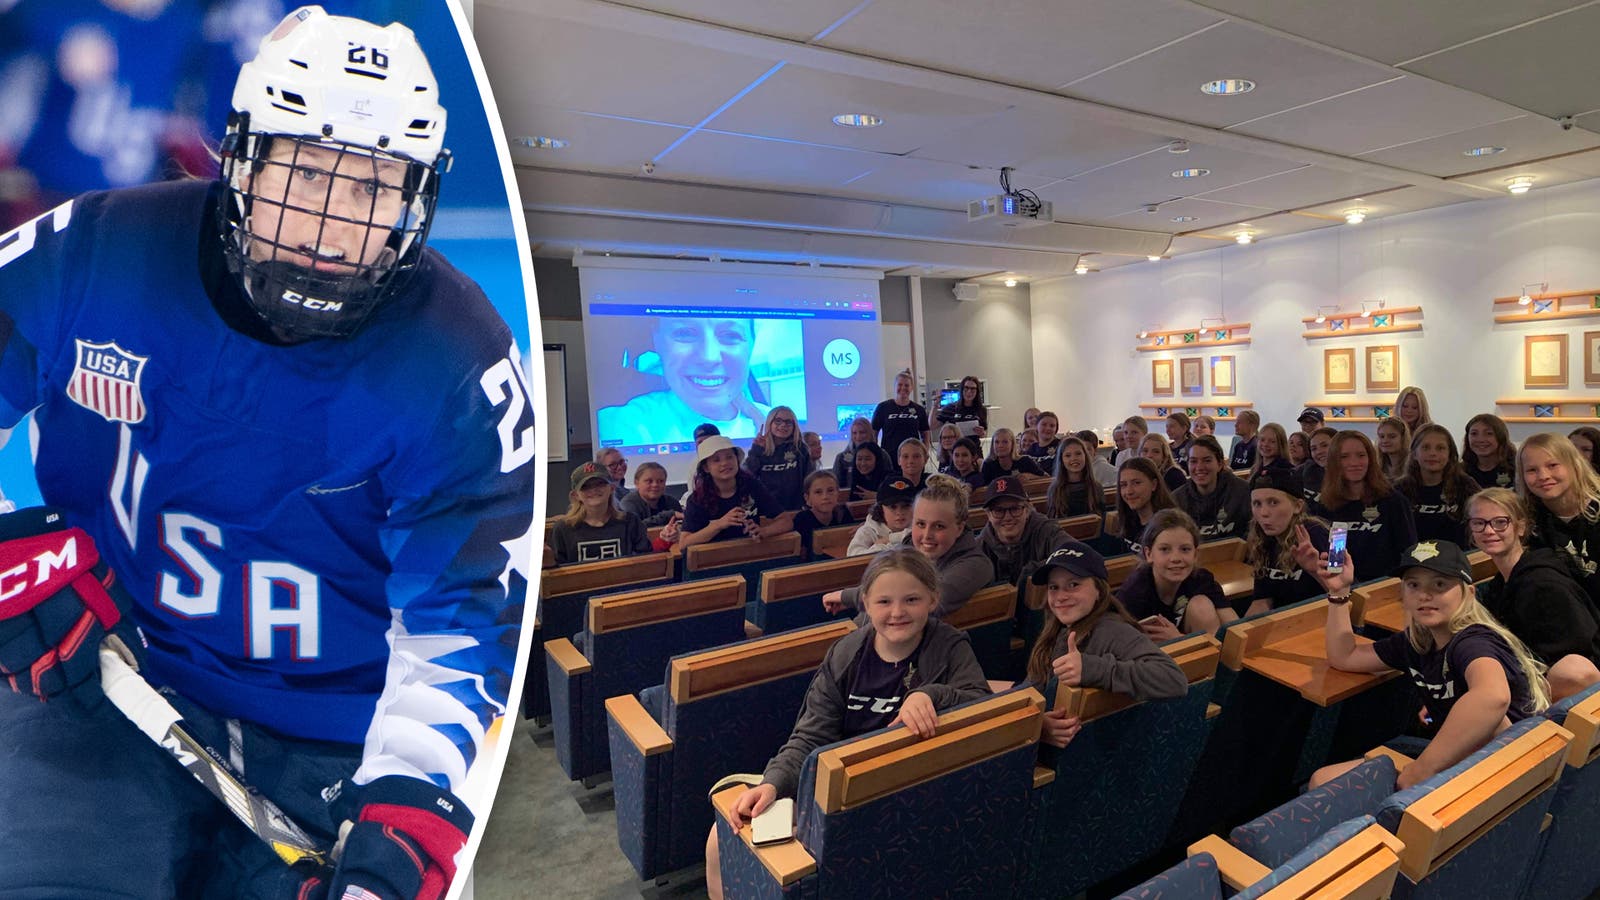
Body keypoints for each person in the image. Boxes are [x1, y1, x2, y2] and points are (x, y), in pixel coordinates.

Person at [0, 8, 536, 898]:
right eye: (307, 173)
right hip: (104, 669)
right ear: (242, 161)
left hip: (337, 739)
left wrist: (408, 796)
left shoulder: (460, 361)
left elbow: (464, 619)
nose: (332, 226)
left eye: (373, 189)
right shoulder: (95, 249)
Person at [704, 548, 991, 900]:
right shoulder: (846, 653)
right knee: (721, 839)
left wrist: (932, 695)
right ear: (866, 604)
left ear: (933, 599)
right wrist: (774, 783)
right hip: (838, 787)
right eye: (884, 601)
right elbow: (810, 736)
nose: (897, 612)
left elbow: (983, 703)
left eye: (912, 599)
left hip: (910, 790)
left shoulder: (949, 646)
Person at [1302, 541, 1547, 791]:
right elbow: (1345, 657)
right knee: (1322, 779)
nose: (1424, 595)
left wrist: (1420, 771)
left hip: (1505, 775)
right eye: (1413, 585)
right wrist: (1339, 593)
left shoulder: (1472, 641)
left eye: (1440, 584)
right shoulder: (1418, 641)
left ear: (1469, 593)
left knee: (1323, 782)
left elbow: (1492, 697)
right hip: (1467, 762)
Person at [1023, 543, 1187, 748]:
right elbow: (1031, 691)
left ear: (1099, 591)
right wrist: (1039, 724)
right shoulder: (1056, 632)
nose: (1061, 596)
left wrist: (1093, 668)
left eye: (1073, 584)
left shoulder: (1112, 630)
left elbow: (1174, 679)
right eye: (1053, 587)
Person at [1468, 489, 1600, 699]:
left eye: (1500, 522)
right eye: (1479, 523)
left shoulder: (1542, 584)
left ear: (1521, 527)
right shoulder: (1501, 583)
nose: (1489, 530)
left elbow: (1580, 656)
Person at [825, 475, 995, 618]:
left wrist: (850, 597)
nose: (927, 535)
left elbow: (928, 599)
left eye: (939, 526)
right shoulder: (909, 551)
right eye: (920, 524)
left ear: (959, 527)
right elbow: (885, 582)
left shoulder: (975, 565)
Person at [595, 314, 769, 444]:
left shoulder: (773, 420)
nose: (709, 357)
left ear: (751, 346)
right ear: (657, 343)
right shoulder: (622, 423)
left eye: (731, 336)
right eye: (685, 333)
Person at [1116, 510, 1234, 641]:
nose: (1176, 558)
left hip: (1192, 649)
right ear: (1148, 554)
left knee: (1201, 605)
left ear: (1195, 554)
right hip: (1149, 657)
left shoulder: (1201, 579)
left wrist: (1178, 639)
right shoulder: (1134, 592)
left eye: (1185, 549)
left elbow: (1237, 628)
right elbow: (1120, 644)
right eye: (1165, 549)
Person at [1314, 431, 1417, 579]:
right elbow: (1334, 561)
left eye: (1361, 455)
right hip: (1344, 586)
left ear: (1371, 459)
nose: (1354, 463)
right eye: (1344, 457)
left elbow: (1409, 552)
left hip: (1386, 587)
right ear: (1334, 461)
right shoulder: (1326, 505)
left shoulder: (1393, 501)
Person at [1518, 432, 1600, 608]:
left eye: (1553, 465)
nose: (1543, 476)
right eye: (1532, 470)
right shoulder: (1527, 521)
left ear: (1575, 465)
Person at [679, 436, 794, 548]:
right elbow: (684, 543)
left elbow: (786, 521)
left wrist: (763, 531)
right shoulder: (697, 499)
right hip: (712, 561)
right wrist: (719, 524)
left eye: (729, 457)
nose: (724, 463)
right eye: (716, 460)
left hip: (750, 554)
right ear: (706, 468)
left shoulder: (753, 486)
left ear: (737, 460)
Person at [1244, 467, 1329, 616]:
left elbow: (1348, 594)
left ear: (1297, 506)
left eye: (1273, 502)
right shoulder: (1262, 538)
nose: (1264, 513)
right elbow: (1262, 600)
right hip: (1284, 623)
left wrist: (1315, 571)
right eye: (1257, 504)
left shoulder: (1321, 533)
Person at [550, 463, 663, 565]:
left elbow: (646, 562)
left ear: (612, 488)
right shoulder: (563, 529)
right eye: (585, 487)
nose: (594, 490)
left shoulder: (630, 522)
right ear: (576, 495)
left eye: (600, 484)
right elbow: (556, 571)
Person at [1395, 425, 1480, 548]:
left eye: (1440, 448)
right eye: (1425, 448)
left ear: (1450, 454)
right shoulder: (1400, 490)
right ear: (1414, 454)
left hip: (1457, 561)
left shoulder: (1466, 486)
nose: (1433, 453)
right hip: (1413, 562)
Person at [978, 475, 1069, 588]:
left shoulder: (1046, 530)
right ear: (988, 515)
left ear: (1027, 510)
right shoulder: (979, 547)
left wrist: (1032, 573)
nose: (1007, 517)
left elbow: (1075, 553)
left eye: (1015, 509)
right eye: (998, 510)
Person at [1173, 436, 1251, 541]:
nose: (1199, 467)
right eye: (1193, 461)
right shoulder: (1177, 500)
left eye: (1207, 460)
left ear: (1220, 464)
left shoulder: (1243, 492)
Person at [744, 405, 813, 511]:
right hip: (765, 510)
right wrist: (756, 450)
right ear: (769, 423)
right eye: (778, 421)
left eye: (788, 422)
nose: (783, 425)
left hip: (795, 509)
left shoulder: (800, 449)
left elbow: (810, 479)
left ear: (794, 426)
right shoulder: (760, 449)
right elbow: (747, 476)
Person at [1114, 458, 1176, 556]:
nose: (1129, 491)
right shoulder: (1125, 520)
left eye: (1136, 483)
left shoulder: (1171, 526)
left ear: (1154, 484)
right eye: (1123, 485)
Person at [872, 371, 929, 472]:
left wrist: (925, 453)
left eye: (906, 385)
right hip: (889, 459)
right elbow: (873, 433)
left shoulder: (919, 410)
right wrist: (876, 454)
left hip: (912, 460)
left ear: (911, 388)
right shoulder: (883, 407)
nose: (903, 388)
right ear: (895, 386)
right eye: (900, 385)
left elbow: (925, 433)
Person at [847, 477, 916, 557]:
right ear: (881, 508)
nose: (899, 513)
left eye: (906, 506)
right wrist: (884, 547)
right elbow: (853, 556)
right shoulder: (868, 530)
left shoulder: (920, 526)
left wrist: (890, 539)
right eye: (893, 507)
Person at [1045, 435, 1105, 519]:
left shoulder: (1096, 487)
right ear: (1061, 460)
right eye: (1068, 455)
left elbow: (1101, 520)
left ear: (1085, 456)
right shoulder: (1055, 489)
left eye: (1078, 454)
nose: (1074, 458)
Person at [792, 470, 855, 548]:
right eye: (818, 492)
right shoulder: (801, 519)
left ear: (838, 493)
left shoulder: (843, 513)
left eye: (830, 490)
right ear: (807, 498)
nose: (825, 497)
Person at [619, 461, 685, 528]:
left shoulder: (672, 502)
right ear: (636, 483)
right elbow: (635, 528)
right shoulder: (628, 504)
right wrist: (667, 516)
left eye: (660, 481)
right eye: (649, 481)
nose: (655, 485)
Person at [1464, 414, 1517, 489]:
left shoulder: (1517, 469)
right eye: (1474, 433)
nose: (1481, 439)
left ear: (1501, 437)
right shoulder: (1461, 473)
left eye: (1489, 433)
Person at [1299, 426, 1336, 506]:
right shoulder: (1306, 471)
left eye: (1325, 445)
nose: (1319, 452)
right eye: (1314, 449)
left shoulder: (1353, 473)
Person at [833, 417, 874, 484]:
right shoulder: (841, 458)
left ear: (869, 433)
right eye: (854, 433)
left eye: (862, 432)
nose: (858, 437)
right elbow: (835, 484)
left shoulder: (882, 455)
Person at [1376, 417, 1411, 484]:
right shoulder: (1378, 465)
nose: (1385, 441)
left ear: (1403, 438)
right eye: (1382, 436)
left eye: (1392, 436)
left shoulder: (1411, 466)